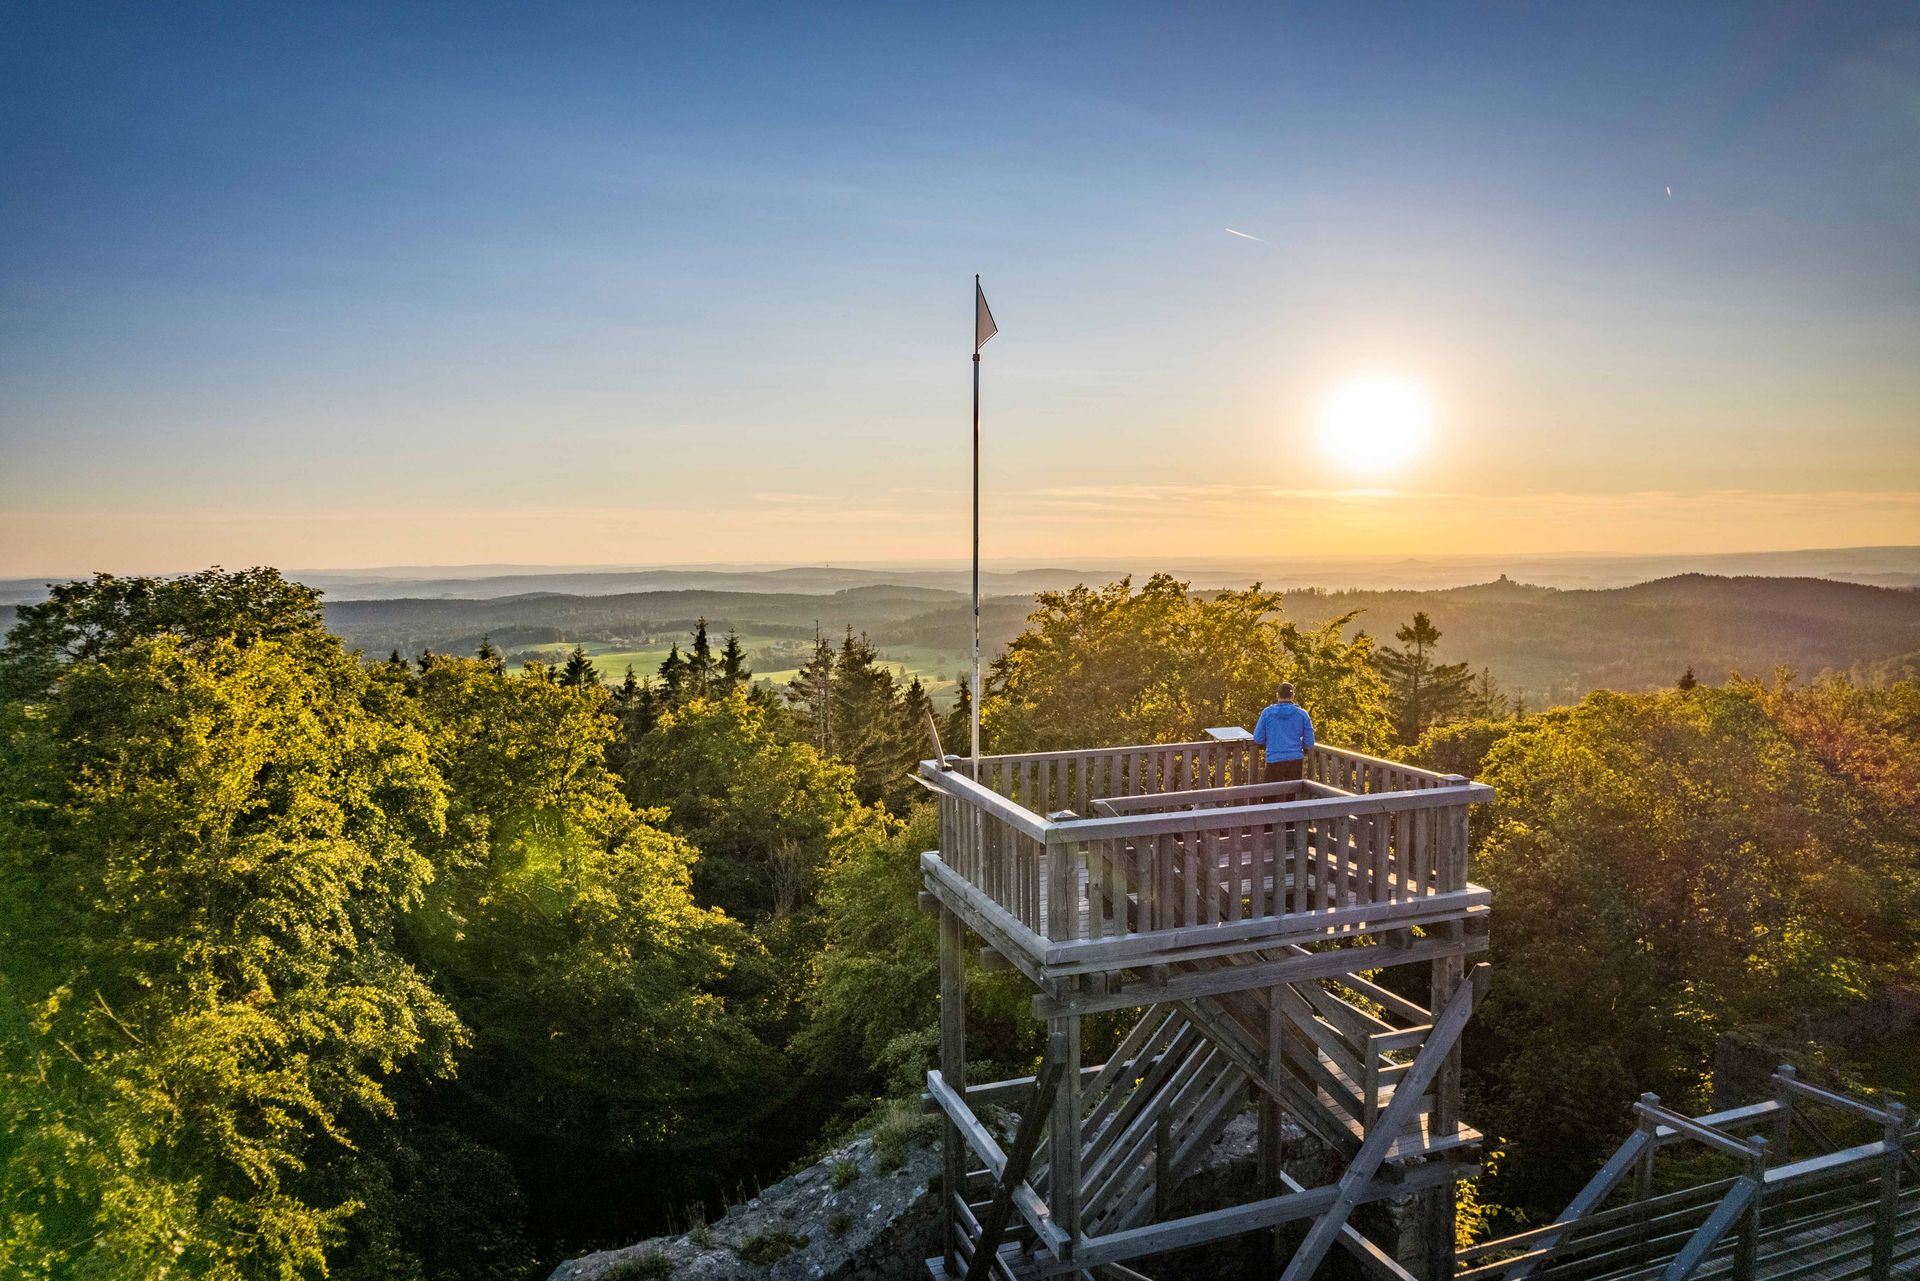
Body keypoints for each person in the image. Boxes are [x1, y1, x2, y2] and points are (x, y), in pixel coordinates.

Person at [1252, 681, 1315, 783]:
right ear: (1292, 695)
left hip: (1274, 759)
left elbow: (1258, 738)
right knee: (1291, 795)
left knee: (1270, 796)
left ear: (1277, 695)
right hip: (1295, 760)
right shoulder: (1302, 714)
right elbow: (1310, 742)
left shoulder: (1267, 713)